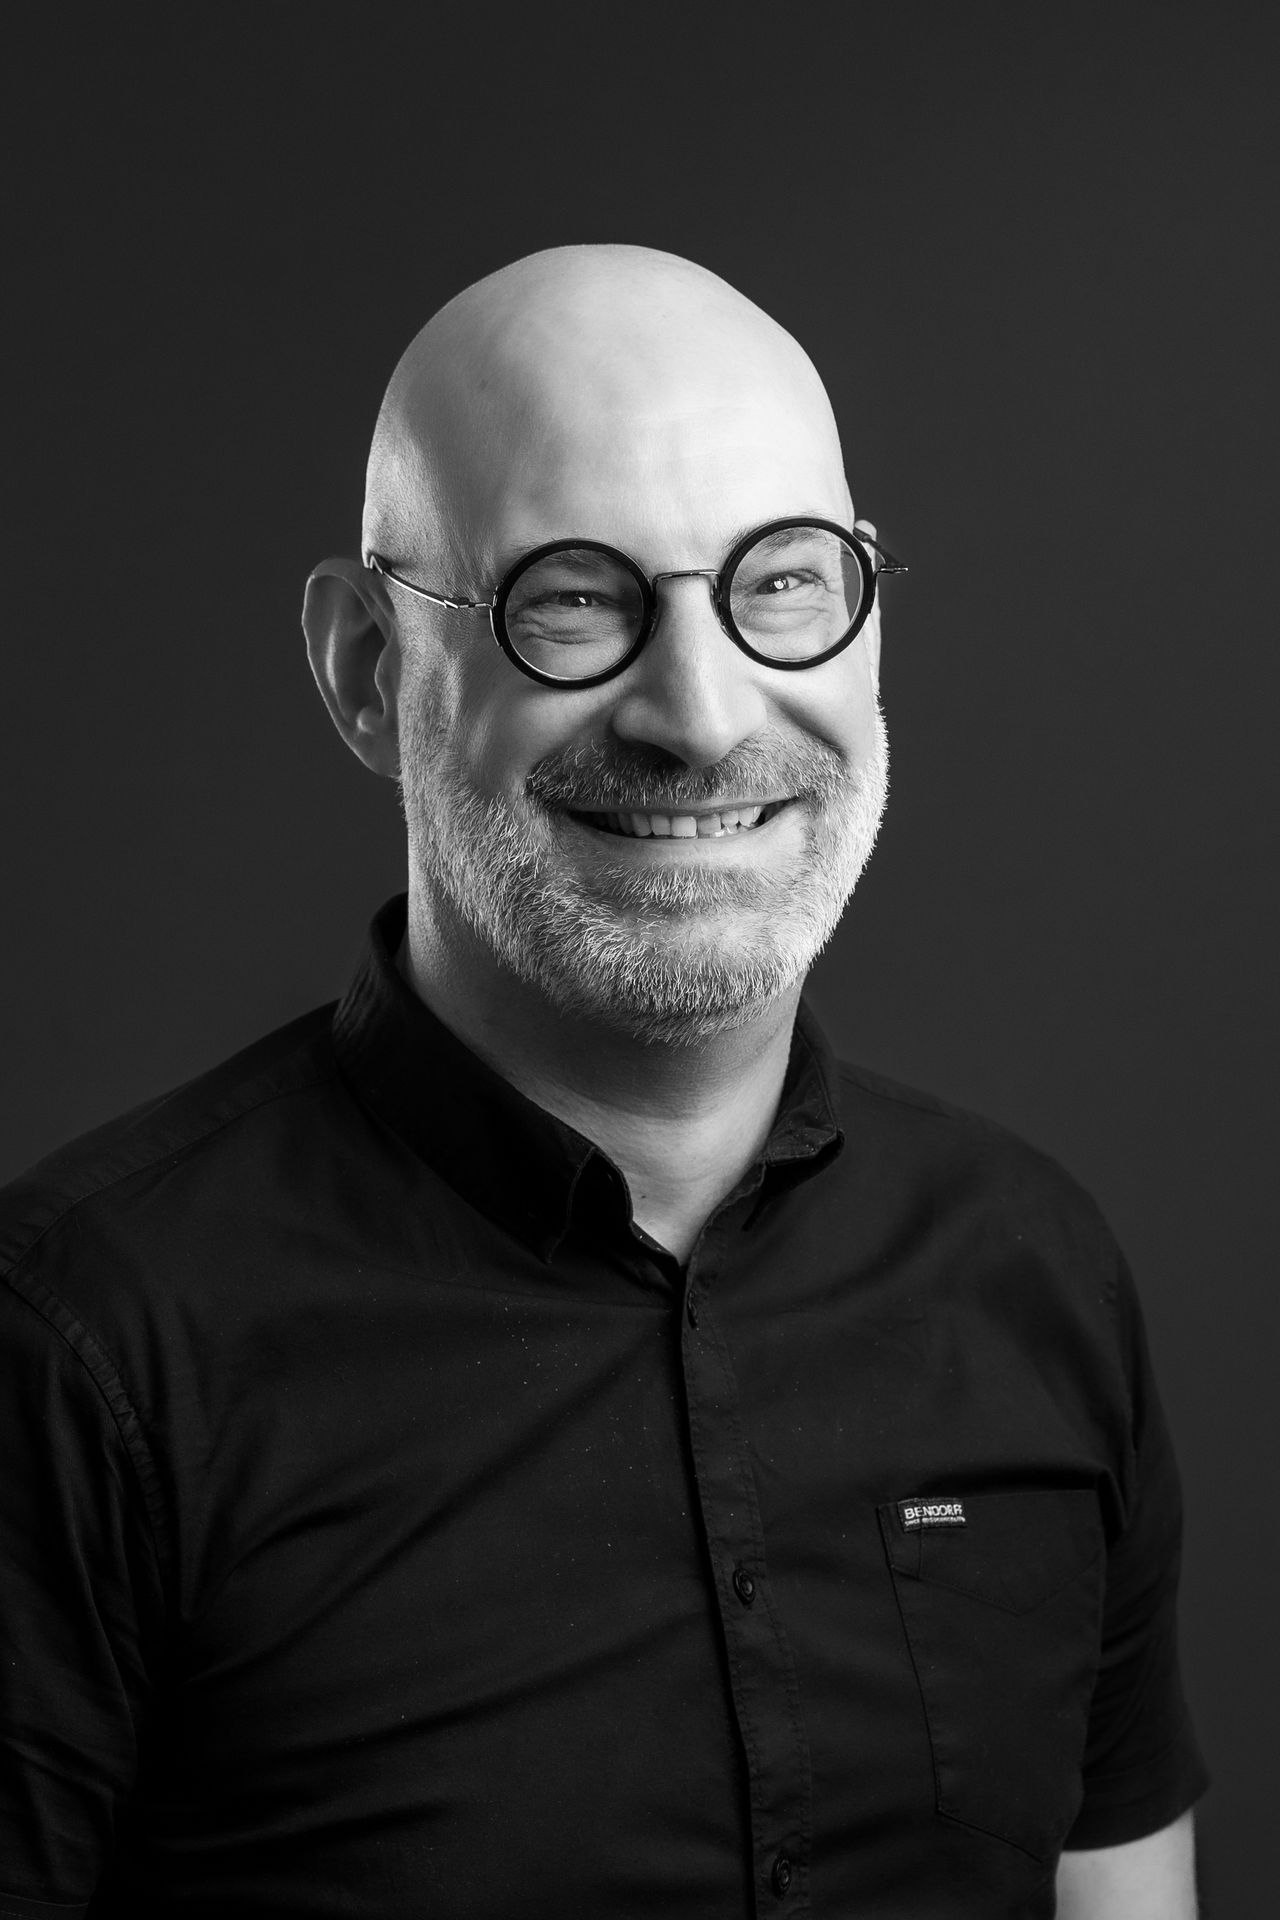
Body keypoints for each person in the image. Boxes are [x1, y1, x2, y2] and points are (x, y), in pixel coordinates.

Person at [0, 245, 1206, 1918]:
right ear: (366, 669)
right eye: (571, 598)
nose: (700, 718)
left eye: (783, 581)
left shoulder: (1033, 1273)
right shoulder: (82, 1355)